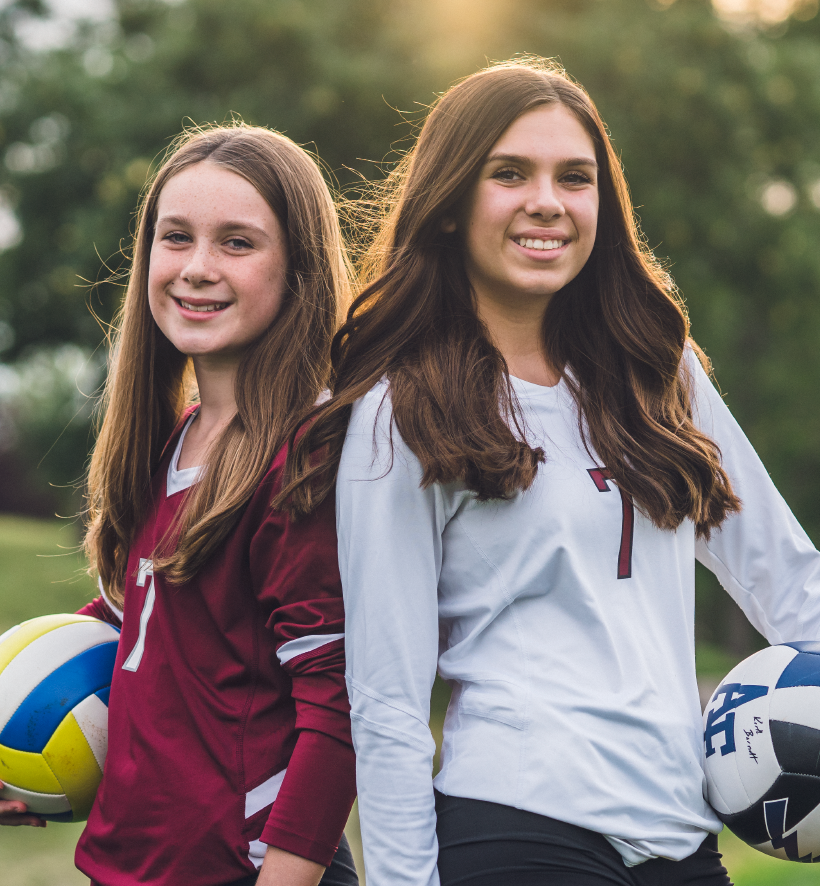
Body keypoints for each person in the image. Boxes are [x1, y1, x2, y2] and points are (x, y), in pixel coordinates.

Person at [278, 59, 820, 886]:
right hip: (518, 825)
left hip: (682, 833)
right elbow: (385, 696)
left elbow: (787, 576)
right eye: (509, 174)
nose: (548, 201)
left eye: (576, 178)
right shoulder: (403, 410)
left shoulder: (657, 373)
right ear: (454, 203)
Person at [0, 125, 359, 886]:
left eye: (237, 243)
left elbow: (338, 712)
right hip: (130, 864)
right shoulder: (181, 439)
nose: (197, 268)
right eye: (176, 237)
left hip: (241, 871)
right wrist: (27, 726)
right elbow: (166, 631)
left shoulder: (305, 459)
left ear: (299, 268)